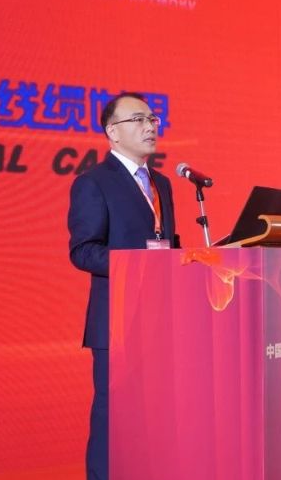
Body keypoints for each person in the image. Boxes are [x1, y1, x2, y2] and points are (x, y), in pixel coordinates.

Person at [67, 92, 177, 480]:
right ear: (112, 131)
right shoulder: (93, 183)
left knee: (154, 419)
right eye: (138, 119)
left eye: (153, 119)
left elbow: (166, 245)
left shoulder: (162, 183)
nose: (150, 126)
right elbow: (83, 251)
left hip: (160, 321)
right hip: (117, 322)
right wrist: (139, 264)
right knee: (112, 420)